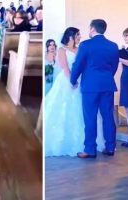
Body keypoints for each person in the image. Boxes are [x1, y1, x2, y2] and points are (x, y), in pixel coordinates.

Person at [45, 27, 105, 156]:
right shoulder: (61, 50)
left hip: (82, 81)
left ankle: (87, 143)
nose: (80, 37)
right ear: (71, 36)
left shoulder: (80, 49)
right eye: (78, 35)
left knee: (84, 111)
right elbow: (65, 67)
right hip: (66, 81)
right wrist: (72, 81)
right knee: (65, 109)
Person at [71, 19, 119, 158]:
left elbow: (78, 64)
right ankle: (110, 147)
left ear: (92, 29)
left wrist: (73, 80)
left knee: (90, 117)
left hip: (90, 86)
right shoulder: (113, 46)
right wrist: (106, 77)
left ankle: (90, 149)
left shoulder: (86, 45)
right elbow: (114, 66)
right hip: (107, 85)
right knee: (108, 116)